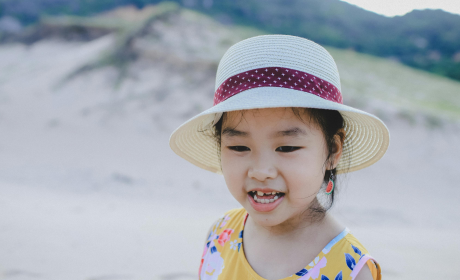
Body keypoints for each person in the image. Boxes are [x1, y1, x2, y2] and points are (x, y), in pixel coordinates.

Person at [169, 35, 389, 280]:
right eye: (240, 147)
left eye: (286, 148)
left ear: (333, 151)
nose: (261, 171)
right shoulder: (219, 234)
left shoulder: (350, 269)